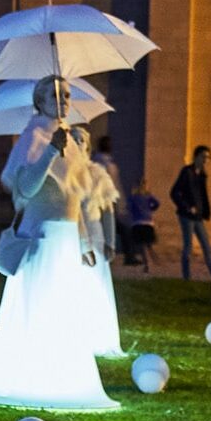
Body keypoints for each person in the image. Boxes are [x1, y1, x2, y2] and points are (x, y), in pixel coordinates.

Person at [0, 77, 117, 409]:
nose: (62, 100)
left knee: (62, 314)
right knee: (37, 306)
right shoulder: (35, 136)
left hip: (64, 239)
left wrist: (84, 242)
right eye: (54, 94)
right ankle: (29, 373)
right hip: (41, 237)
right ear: (40, 100)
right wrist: (50, 150)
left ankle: (62, 375)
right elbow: (26, 188)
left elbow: (74, 197)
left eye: (66, 94)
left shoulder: (71, 140)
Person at [74, 125, 124, 358]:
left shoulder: (97, 174)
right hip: (70, 234)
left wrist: (110, 241)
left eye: (81, 141)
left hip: (94, 234)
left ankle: (95, 333)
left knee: (94, 282)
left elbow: (108, 211)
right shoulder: (64, 173)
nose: (77, 145)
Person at [171, 145, 211, 282]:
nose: (205, 160)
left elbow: (202, 195)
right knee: (188, 247)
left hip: (198, 216)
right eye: (203, 157)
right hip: (187, 215)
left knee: (207, 246)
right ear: (196, 156)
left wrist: (204, 211)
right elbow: (174, 192)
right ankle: (187, 278)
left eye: (208, 158)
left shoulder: (202, 175)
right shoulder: (187, 172)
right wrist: (187, 207)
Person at [93, 136, 136, 264]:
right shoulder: (109, 165)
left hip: (96, 202)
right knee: (121, 229)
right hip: (107, 203)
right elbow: (115, 186)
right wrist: (121, 205)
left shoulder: (94, 162)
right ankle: (128, 257)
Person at [126, 178, 162, 273]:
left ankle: (147, 264)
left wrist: (132, 214)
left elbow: (129, 208)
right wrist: (150, 209)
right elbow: (157, 203)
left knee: (142, 246)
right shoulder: (148, 196)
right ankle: (156, 260)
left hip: (137, 223)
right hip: (148, 222)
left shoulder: (133, 197)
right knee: (149, 245)